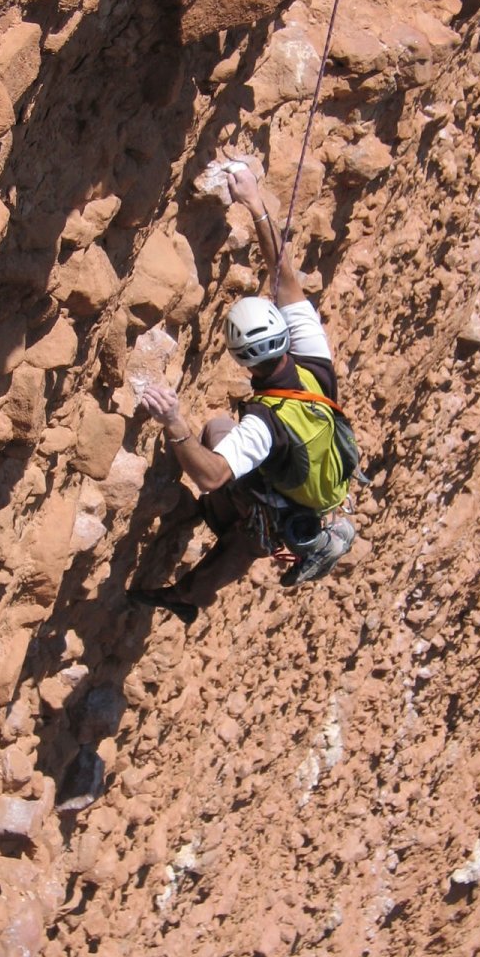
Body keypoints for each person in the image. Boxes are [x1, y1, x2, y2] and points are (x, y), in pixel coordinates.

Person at [128, 164, 355, 625]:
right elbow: (285, 274)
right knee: (217, 430)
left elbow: (212, 475)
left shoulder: (265, 426)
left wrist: (174, 423)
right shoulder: (315, 364)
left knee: (244, 517)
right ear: (282, 338)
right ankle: (227, 531)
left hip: (284, 497)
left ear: (240, 359)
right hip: (315, 484)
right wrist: (256, 204)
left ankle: (192, 590)